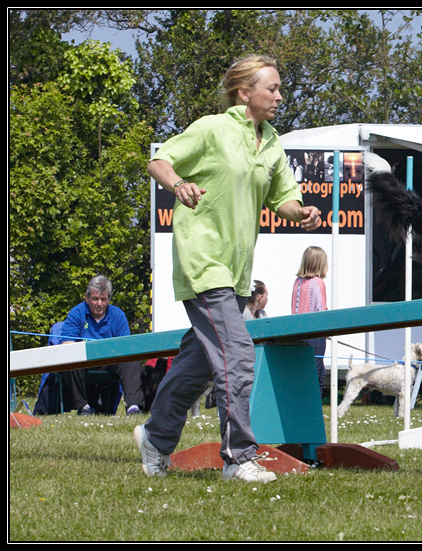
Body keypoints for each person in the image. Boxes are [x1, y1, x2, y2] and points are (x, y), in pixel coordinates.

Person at [136, 54, 322, 484]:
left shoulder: (273, 141)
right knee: (237, 356)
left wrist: (302, 214)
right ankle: (238, 457)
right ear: (244, 93)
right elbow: (160, 161)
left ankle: (155, 438)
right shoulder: (212, 128)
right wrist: (177, 183)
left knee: (197, 364)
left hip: (238, 271)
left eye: (278, 88)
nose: (279, 95)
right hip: (203, 260)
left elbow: (283, 200)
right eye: (271, 88)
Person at [59, 276, 144, 415]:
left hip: (110, 362)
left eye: (103, 299)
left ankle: (133, 406)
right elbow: (66, 343)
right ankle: (83, 406)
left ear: (109, 299)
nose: (99, 303)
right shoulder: (77, 312)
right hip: (84, 361)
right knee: (70, 357)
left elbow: (125, 347)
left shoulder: (118, 315)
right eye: (95, 299)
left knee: (131, 358)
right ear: (86, 298)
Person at [291, 246, 329, 385]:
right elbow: (320, 310)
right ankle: (314, 406)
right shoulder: (318, 282)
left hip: (298, 331)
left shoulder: (298, 282)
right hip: (314, 332)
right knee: (316, 374)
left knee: (303, 372)